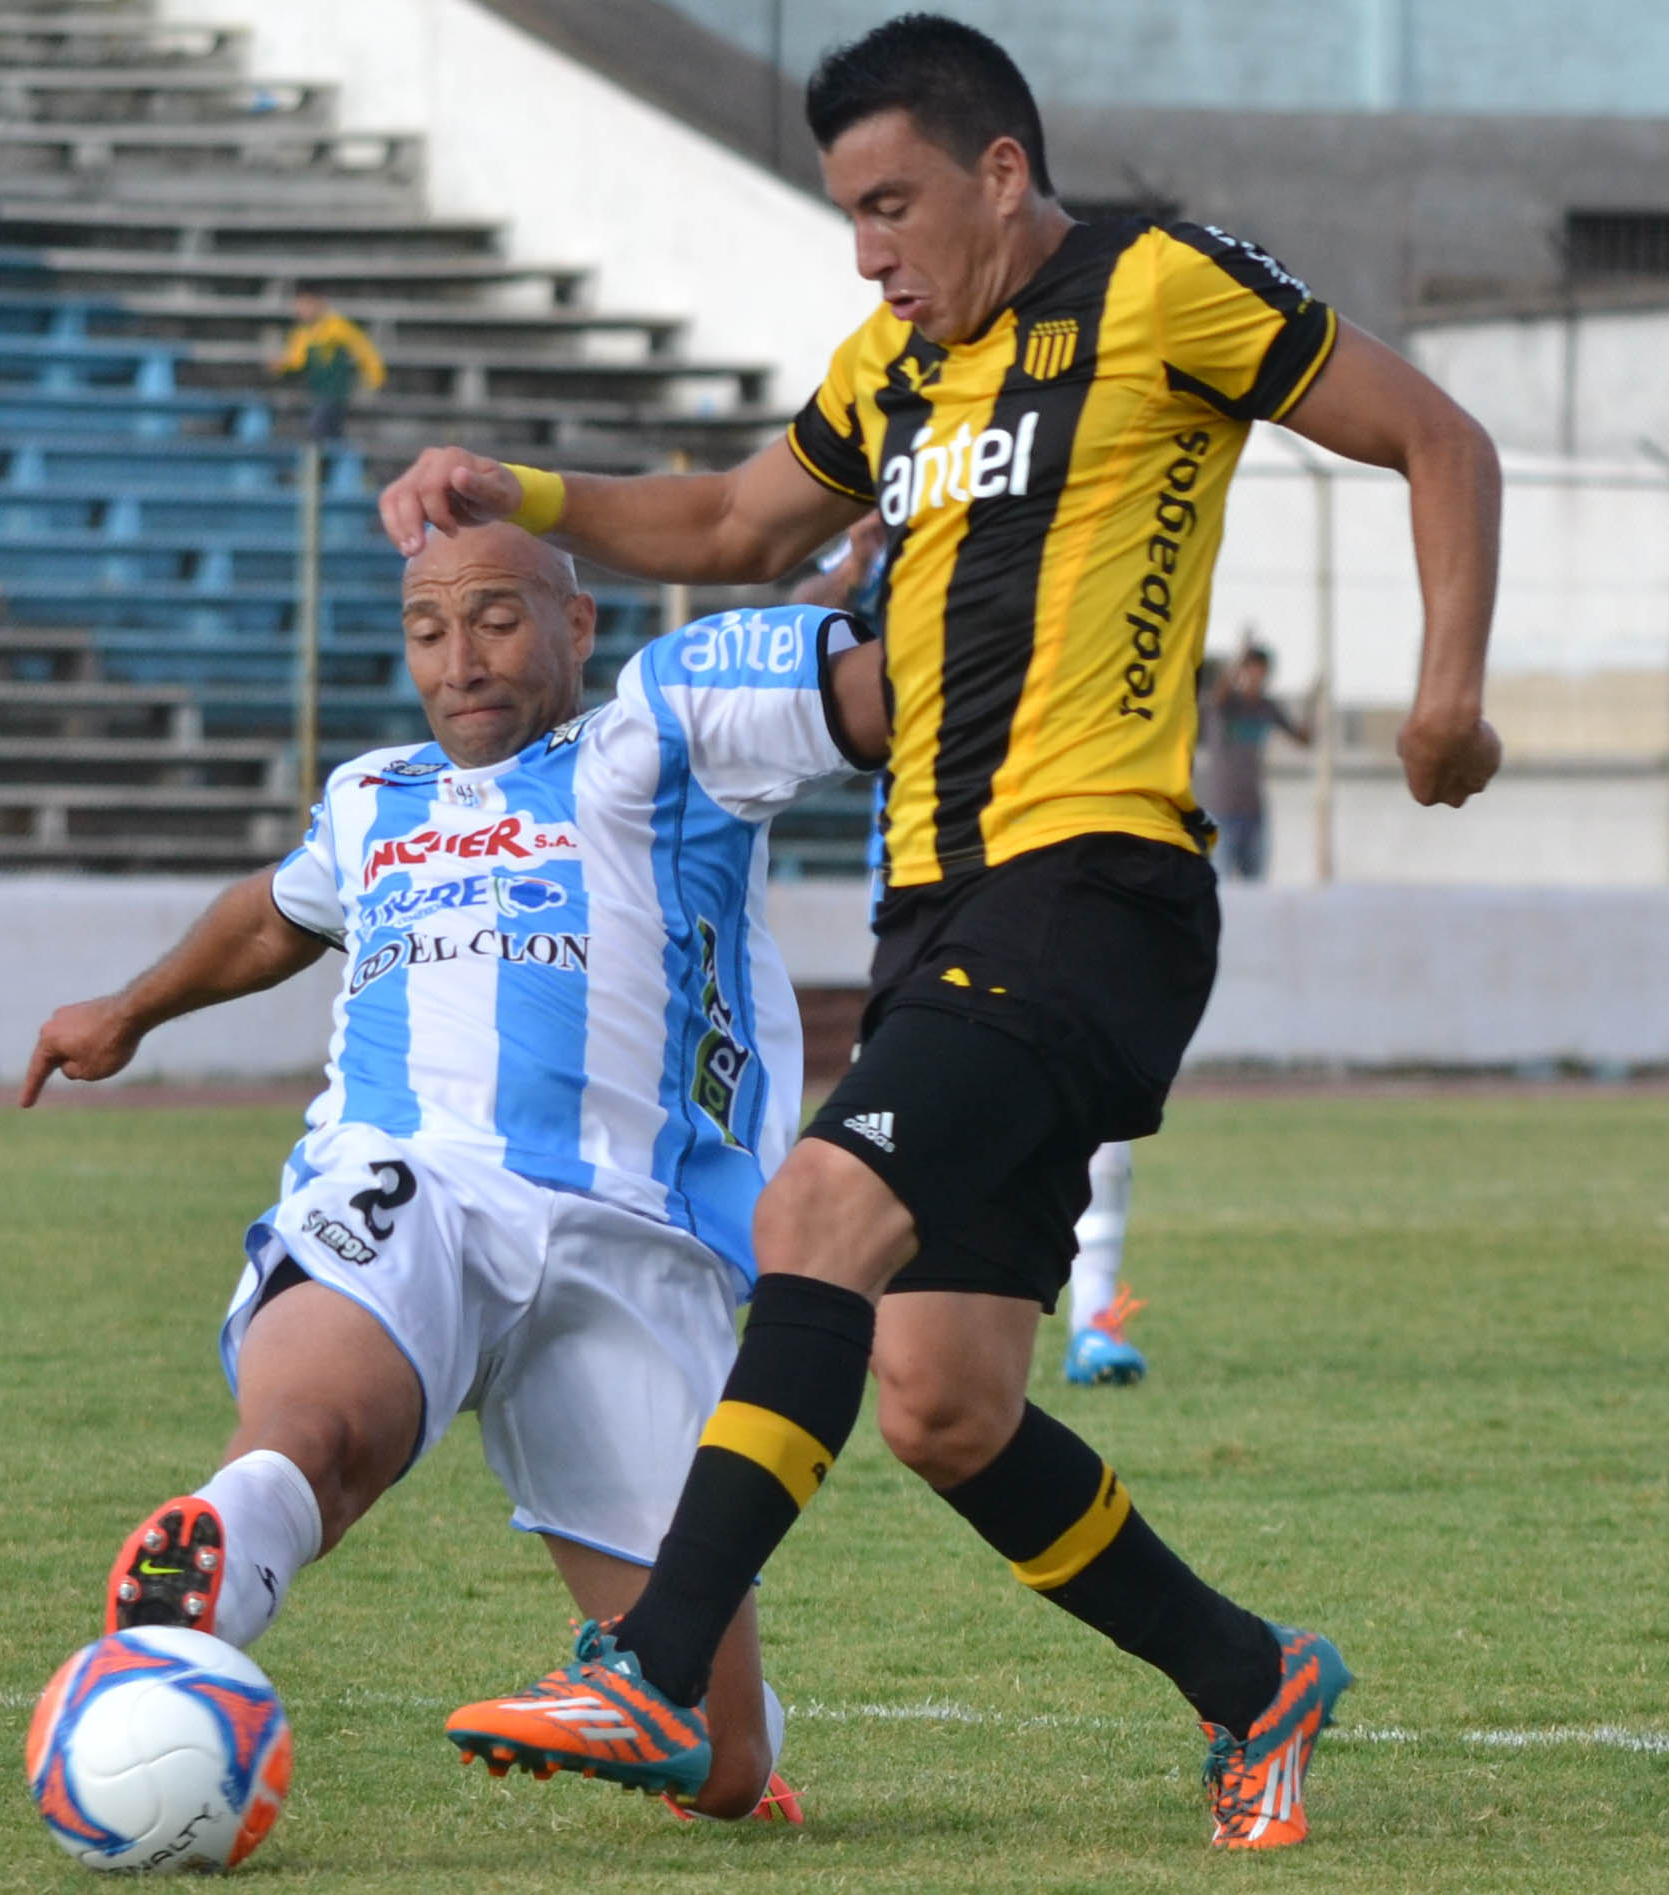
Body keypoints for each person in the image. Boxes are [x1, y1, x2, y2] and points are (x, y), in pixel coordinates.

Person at [393, 16, 1503, 1851]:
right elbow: (732, 520)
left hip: (1091, 883)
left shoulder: (1154, 287)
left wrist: (1444, 690)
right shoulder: (892, 371)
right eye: (847, 213)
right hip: (937, 910)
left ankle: (649, 1667)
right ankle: (1252, 1680)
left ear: (999, 172)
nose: (867, 252)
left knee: (813, 1214)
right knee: (942, 1402)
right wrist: (516, 493)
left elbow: (1435, 437)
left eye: (890, 205)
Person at [23, 524, 891, 1825]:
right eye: (426, 629)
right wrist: (128, 1009)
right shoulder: (370, 796)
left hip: (638, 1243)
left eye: (492, 618)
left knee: (722, 1763)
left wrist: (852, 578)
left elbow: (808, 685)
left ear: (576, 623)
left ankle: (681, 1705)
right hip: (416, 1175)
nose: (458, 659)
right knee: (314, 1432)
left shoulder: (657, 748)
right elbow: (271, 913)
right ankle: (214, 1558)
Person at [796, 517, 1151, 1390]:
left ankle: (1094, 1317)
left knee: (1084, 1107)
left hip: (1045, 879)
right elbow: (792, 639)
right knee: (885, 1130)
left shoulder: (1065, 546)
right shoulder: (897, 544)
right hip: (921, 897)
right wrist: (856, 560)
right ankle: (854, 1318)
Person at [1198, 641, 1310, 883]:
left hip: (1254, 811)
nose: (1256, 677)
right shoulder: (1226, 703)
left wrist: (1313, 705)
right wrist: (1239, 657)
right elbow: (1219, 693)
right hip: (1221, 811)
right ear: (1242, 670)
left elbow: (1303, 739)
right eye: (1250, 669)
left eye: (1261, 671)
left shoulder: (1267, 707)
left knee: (1256, 885)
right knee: (1219, 885)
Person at [275, 287, 385, 443]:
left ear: (319, 303)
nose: (301, 310)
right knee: (331, 435)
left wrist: (374, 380)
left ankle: (317, 458)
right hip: (316, 392)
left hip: (334, 393)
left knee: (316, 430)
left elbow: (364, 350)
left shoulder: (337, 326)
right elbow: (296, 360)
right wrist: (281, 365)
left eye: (306, 305)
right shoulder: (302, 332)